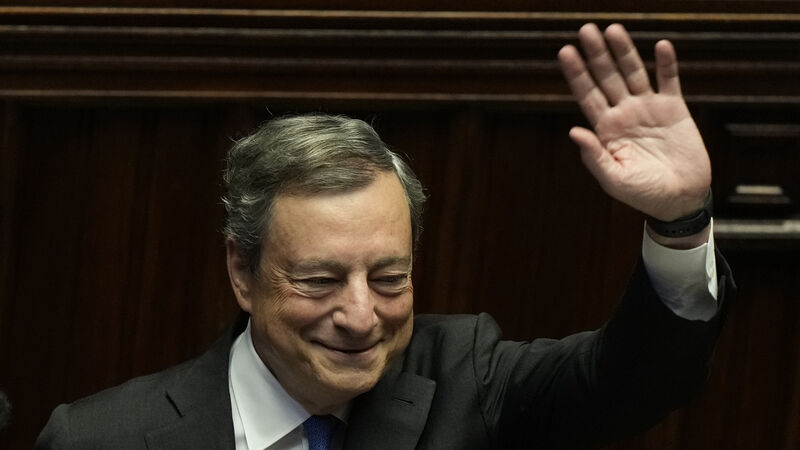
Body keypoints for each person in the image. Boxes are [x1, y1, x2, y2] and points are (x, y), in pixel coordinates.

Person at [36, 23, 735, 449]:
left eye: (389, 278)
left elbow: (634, 381)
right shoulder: (100, 439)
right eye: (320, 280)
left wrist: (679, 222)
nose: (361, 315)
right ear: (241, 271)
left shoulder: (463, 379)